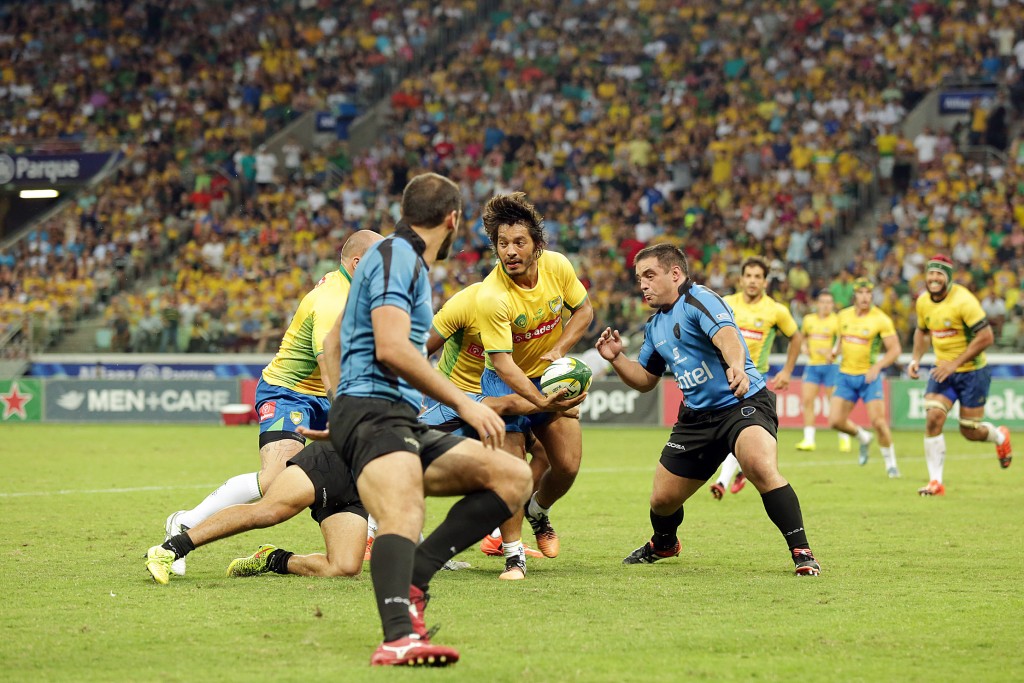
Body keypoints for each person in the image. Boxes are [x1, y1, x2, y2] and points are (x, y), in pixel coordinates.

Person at [326, 173, 533, 667]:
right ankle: (398, 636)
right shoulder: (401, 258)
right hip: (375, 414)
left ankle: (418, 572)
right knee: (403, 512)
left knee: (513, 476)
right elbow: (393, 348)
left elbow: (334, 339)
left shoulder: (389, 257)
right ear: (453, 220)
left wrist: (338, 401)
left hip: (391, 415)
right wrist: (465, 403)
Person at [161, 230, 382, 577]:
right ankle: (185, 523)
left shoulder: (358, 292)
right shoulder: (331, 301)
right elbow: (329, 371)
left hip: (326, 397)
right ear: (358, 263)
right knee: (276, 478)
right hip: (289, 392)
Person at [595, 244, 820, 576]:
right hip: (696, 418)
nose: (642, 284)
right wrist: (616, 359)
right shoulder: (655, 326)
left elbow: (727, 335)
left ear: (675, 274)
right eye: (639, 277)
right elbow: (645, 380)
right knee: (662, 500)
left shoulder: (700, 299)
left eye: (650, 275)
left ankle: (802, 553)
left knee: (758, 464)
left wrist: (737, 367)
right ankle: (664, 543)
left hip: (742, 402)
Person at [420, 282, 584, 567]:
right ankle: (379, 531)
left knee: (545, 455)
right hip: (459, 399)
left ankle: (504, 525)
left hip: (495, 396)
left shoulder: (524, 309)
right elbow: (419, 351)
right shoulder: (465, 304)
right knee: (421, 467)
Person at [474, 192, 594, 580]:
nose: (509, 251)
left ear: (537, 245)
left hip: (547, 376)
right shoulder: (492, 296)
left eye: (519, 242)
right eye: (502, 244)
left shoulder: (557, 267)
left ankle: (538, 511)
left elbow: (585, 310)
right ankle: (513, 557)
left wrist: (560, 348)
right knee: (511, 470)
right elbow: (503, 364)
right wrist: (542, 402)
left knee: (568, 465)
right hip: (504, 384)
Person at [145, 442, 367, 584]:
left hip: (361, 489)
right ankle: (170, 549)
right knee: (269, 512)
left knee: (344, 567)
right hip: (337, 462)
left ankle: (272, 559)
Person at [907, 255, 1012, 496]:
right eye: (931, 273)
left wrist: (954, 364)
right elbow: (922, 332)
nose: (934, 278)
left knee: (969, 430)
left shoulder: (964, 301)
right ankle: (936, 482)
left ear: (948, 278)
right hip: (942, 371)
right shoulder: (923, 301)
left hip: (973, 372)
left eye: (939, 274)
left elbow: (986, 337)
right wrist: (916, 359)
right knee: (933, 417)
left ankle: (999, 435)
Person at [710, 256, 804, 499]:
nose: (752, 281)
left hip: (753, 380)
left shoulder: (775, 310)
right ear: (740, 280)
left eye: (758, 277)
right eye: (748, 276)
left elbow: (796, 337)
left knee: (737, 427)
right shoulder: (725, 303)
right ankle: (742, 467)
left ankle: (722, 479)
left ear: (765, 282)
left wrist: (786, 371)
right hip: (722, 376)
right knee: (731, 432)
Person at [828, 278, 902, 477]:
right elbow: (841, 338)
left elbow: (895, 350)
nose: (865, 297)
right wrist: (835, 351)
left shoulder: (881, 319)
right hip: (845, 375)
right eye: (861, 293)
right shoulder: (843, 316)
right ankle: (862, 437)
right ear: (855, 295)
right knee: (835, 421)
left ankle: (891, 464)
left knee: (878, 422)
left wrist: (877, 366)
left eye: (868, 293)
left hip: (868, 378)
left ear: (872, 295)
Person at [795, 290, 850, 452]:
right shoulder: (808, 320)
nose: (826, 305)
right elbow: (803, 337)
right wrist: (804, 347)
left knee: (833, 403)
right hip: (813, 365)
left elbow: (843, 342)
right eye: (823, 302)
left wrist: (832, 354)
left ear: (832, 305)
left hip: (831, 367)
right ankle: (809, 439)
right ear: (817, 304)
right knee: (807, 401)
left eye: (829, 302)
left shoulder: (837, 321)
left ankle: (844, 437)